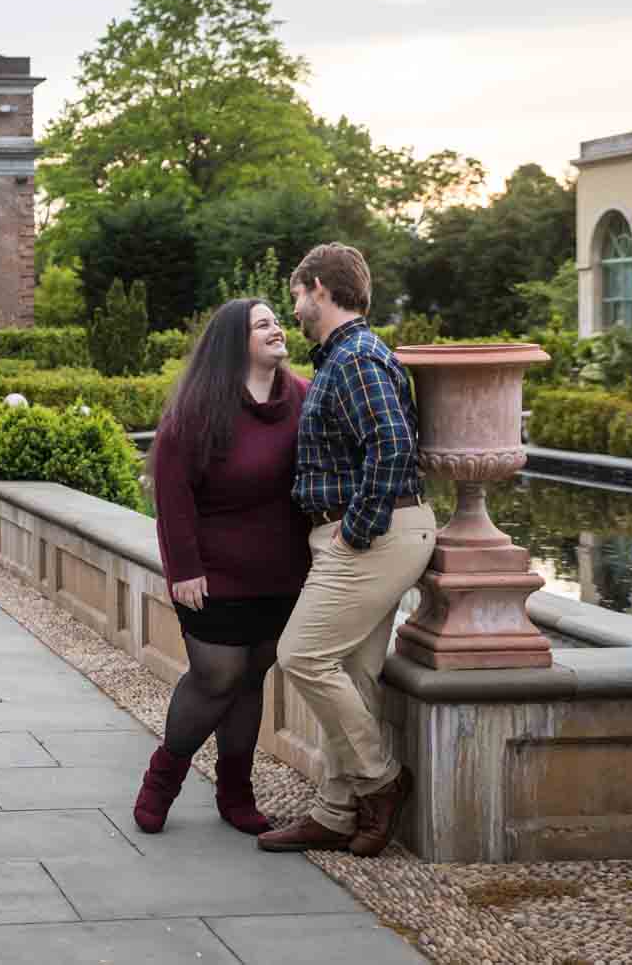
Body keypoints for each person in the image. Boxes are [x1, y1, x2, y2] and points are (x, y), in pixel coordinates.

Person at [257, 243, 435, 858]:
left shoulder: (357, 357)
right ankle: (336, 812)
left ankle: (383, 783)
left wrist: (355, 529)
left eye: (299, 294)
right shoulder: (345, 357)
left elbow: (392, 445)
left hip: (374, 536)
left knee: (300, 655)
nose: (295, 307)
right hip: (377, 533)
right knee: (354, 676)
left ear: (319, 289)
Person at [132, 297, 311, 836]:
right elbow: (172, 490)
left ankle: (236, 792)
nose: (277, 329)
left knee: (253, 676)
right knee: (216, 676)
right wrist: (182, 567)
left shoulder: (301, 396)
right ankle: (162, 779)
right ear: (236, 342)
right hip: (213, 571)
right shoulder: (200, 406)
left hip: (282, 571)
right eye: (263, 325)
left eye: (277, 321)